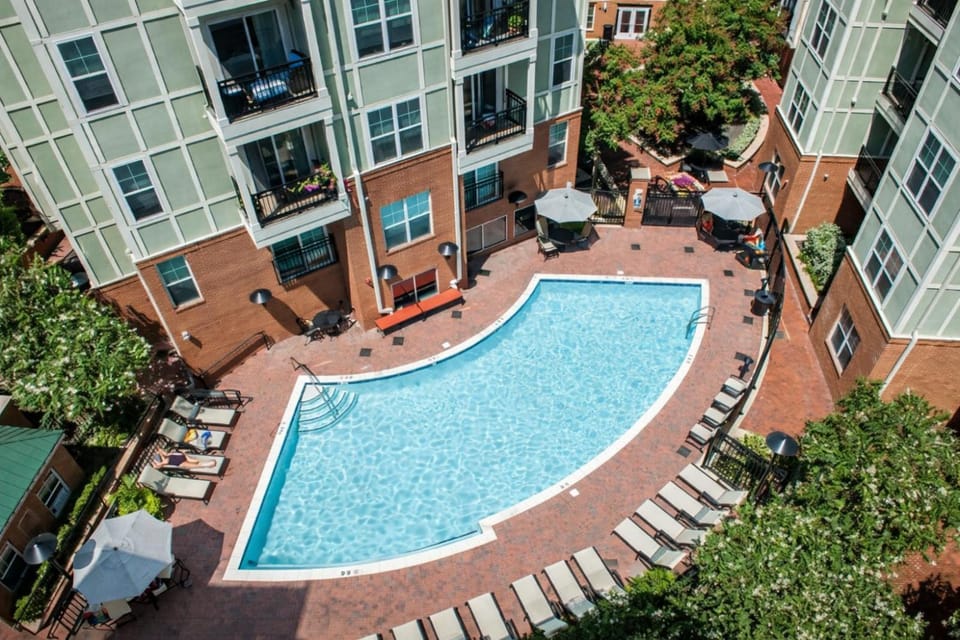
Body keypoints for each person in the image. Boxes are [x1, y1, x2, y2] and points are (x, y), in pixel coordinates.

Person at [152, 450, 216, 470]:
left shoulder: (166, 460)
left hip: (180, 459)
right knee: (196, 462)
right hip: (181, 457)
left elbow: (158, 465)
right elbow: (159, 465)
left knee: (196, 464)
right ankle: (209, 464)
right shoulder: (167, 458)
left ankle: (209, 464)